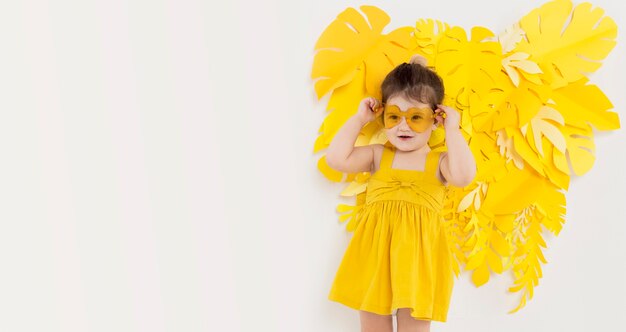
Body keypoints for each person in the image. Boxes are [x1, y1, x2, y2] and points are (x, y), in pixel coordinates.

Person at [325, 54, 476, 332]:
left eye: (416, 118)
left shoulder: (440, 162)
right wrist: (360, 119)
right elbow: (336, 159)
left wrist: (453, 130)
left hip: (419, 262)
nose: (403, 126)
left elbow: (465, 176)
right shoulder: (378, 155)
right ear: (383, 117)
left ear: (435, 119)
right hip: (375, 256)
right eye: (394, 116)